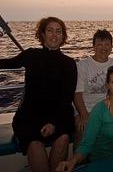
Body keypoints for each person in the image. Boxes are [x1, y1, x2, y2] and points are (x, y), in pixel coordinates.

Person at [0, 17, 77, 172]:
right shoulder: (31, 55)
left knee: (63, 139)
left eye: (58, 31)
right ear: (42, 34)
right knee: (34, 144)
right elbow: (7, 63)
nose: (54, 35)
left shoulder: (69, 63)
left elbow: (67, 97)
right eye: (49, 30)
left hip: (58, 115)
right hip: (30, 115)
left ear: (63, 36)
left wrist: (53, 123)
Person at [73, 29, 113, 149]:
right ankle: (79, 163)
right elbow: (77, 94)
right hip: (85, 109)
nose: (103, 48)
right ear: (93, 46)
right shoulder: (83, 66)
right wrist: (84, 116)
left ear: (111, 46)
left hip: (107, 108)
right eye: (99, 44)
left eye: (107, 44)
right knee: (82, 130)